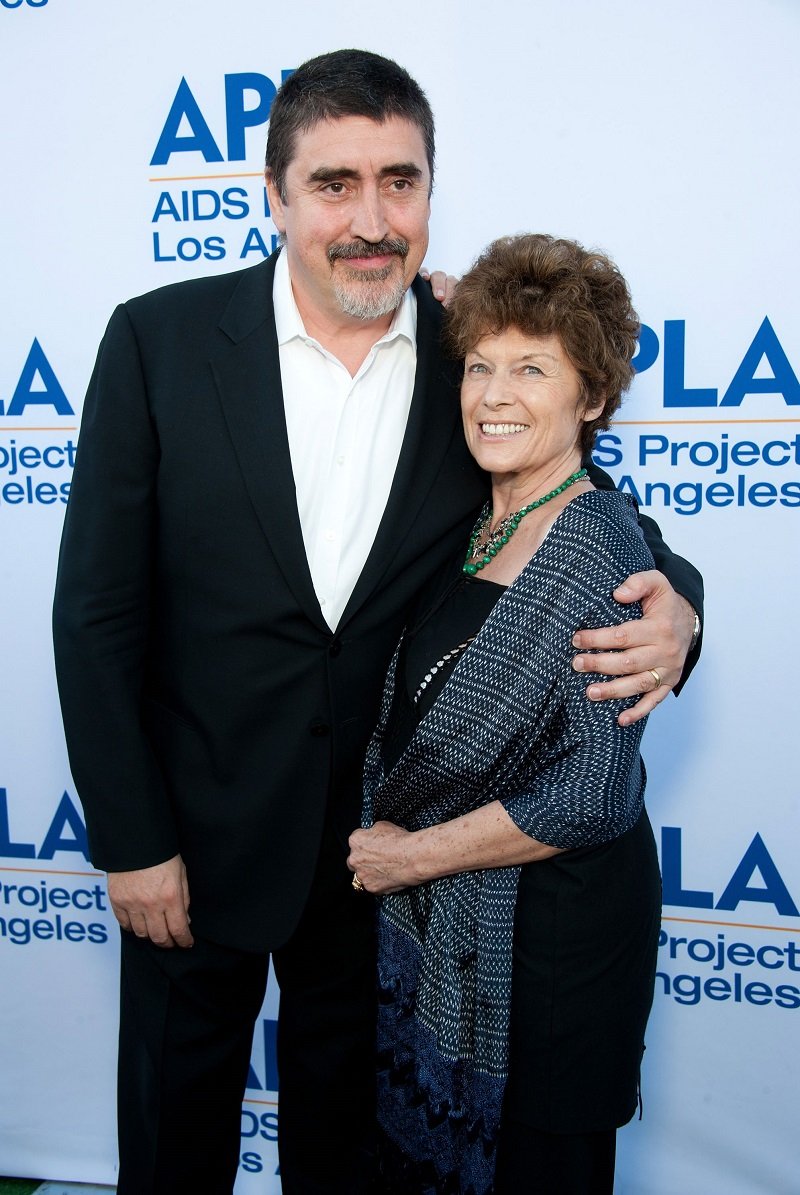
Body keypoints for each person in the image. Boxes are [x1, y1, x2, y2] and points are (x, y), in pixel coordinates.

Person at [52, 51, 701, 1195]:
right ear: (274, 195)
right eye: (334, 183)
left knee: (349, 1146)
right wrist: (130, 838)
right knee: (173, 1133)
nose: (369, 219)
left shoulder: (468, 357)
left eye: (398, 182)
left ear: (429, 194)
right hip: (189, 843)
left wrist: (684, 608)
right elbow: (96, 610)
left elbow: (584, 508)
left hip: (376, 862)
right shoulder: (156, 342)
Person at [348, 233, 672, 1194]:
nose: (494, 394)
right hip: (464, 932)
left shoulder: (598, 550)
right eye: (479, 365)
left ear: (594, 398)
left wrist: (409, 856)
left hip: (556, 954)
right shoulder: (477, 520)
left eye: (533, 368)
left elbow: (590, 795)